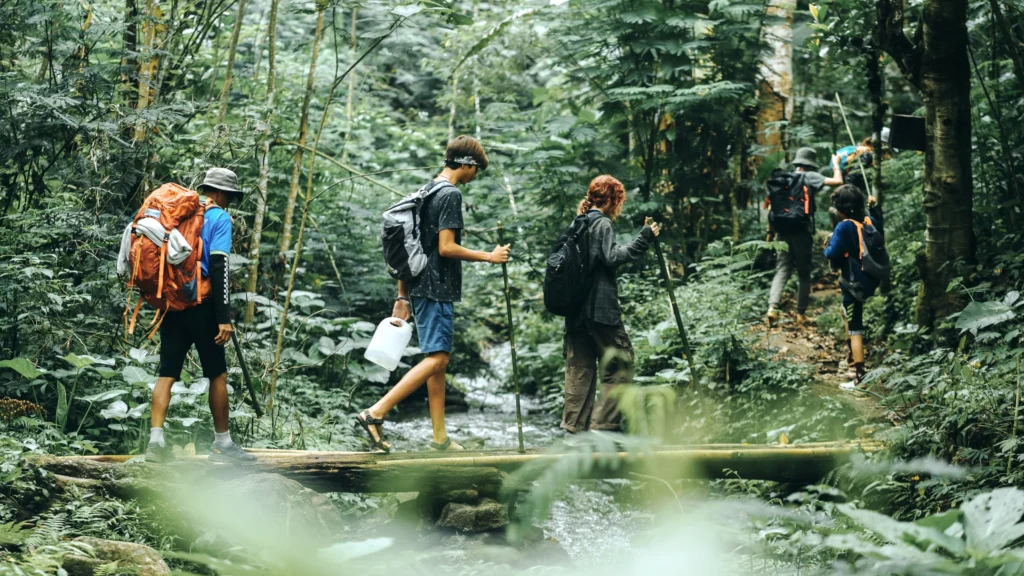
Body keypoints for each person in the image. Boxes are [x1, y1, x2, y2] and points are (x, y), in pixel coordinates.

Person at [357, 136, 510, 452]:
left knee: (436, 360)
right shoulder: (450, 194)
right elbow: (446, 247)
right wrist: (489, 256)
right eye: (476, 170)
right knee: (439, 358)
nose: (475, 176)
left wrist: (403, 295)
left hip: (418, 286)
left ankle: (440, 437)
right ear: (466, 164)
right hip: (436, 287)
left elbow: (410, 244)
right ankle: (376, 412)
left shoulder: (428, 190)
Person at [146, 167, 255, 463]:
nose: (229, 201)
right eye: (230, 196)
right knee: (217, 374)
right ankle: (222, 443)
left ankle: (155, 443)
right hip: (203, 306)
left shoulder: (178, 213)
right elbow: (219, 268)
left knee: (166, 373)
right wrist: (224, 317)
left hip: (172, 302)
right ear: (221, 193)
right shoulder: (219, 217)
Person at [561, 175, 660, 434]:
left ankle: (573, 430)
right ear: (615, 199)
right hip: (600, 310)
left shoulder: (577, 223)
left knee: (579, 369)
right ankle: (603, 427)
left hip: (574, 312)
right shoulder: (602, 223)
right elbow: (611, 256)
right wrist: (644, 238)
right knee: (620, 364)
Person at [766, 147, 843, 326]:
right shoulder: (810, 177)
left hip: (781, 231)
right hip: (801, 231)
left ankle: (772, 309)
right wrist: (837, 164)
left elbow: (772, 208)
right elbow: (838, 181)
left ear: (798, 163)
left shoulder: (783, 179)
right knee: (803, 273)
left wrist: (770, 234)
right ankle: (800, 314)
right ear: (811, 164)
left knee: (782, 269)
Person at [824, 184, 884, 389]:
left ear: (841, 209)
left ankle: (859, 377)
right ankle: (853, 356)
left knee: (855, 327)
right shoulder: (869, 220)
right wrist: (874, 208)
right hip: (868, 280)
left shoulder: (844, 226)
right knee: (846, 314)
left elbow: (832, 253)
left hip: (853, 285)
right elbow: (879, 230)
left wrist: (829, 242)